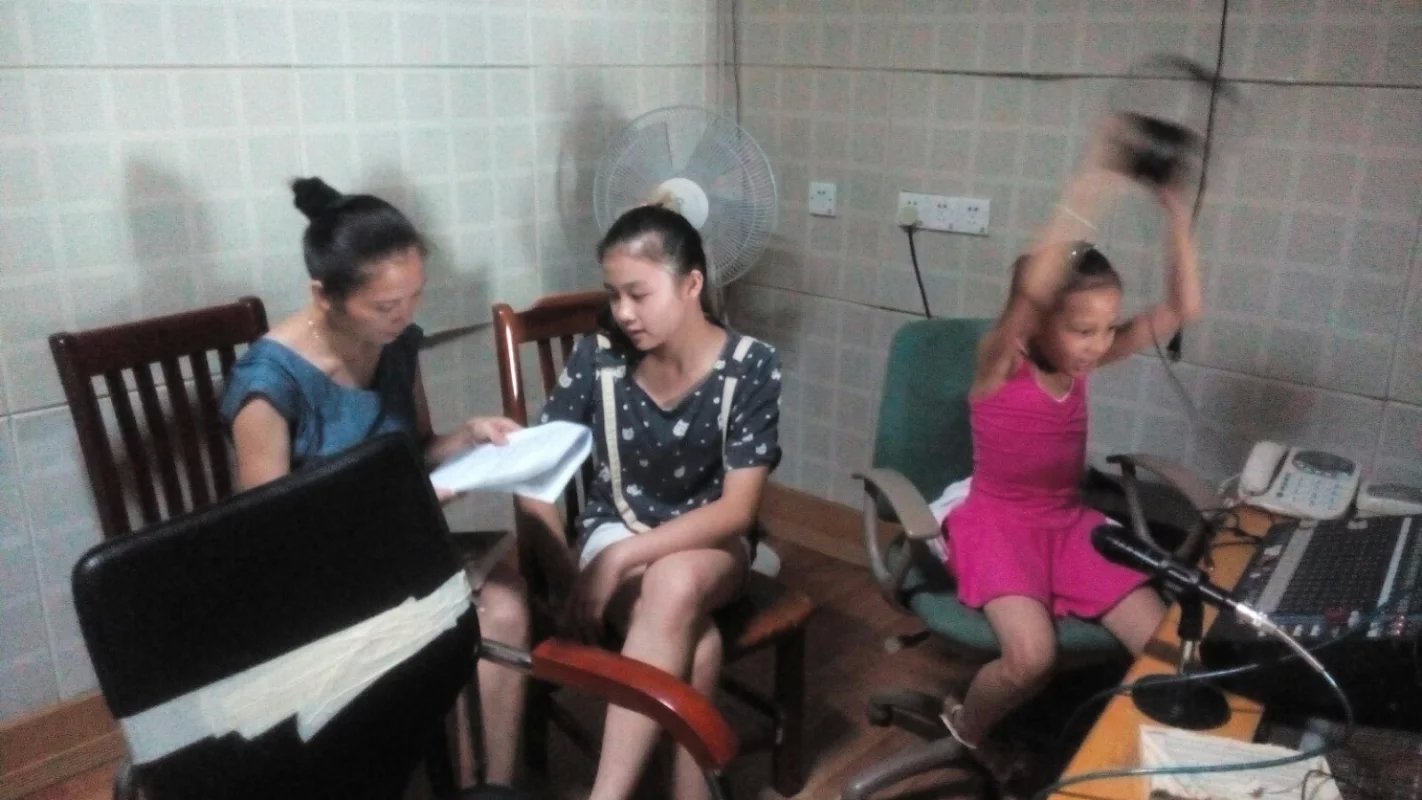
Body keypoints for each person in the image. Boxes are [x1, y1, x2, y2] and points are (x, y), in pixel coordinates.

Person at [220, 177, 529, 785]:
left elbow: (416, 449)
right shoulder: (268, 384)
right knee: (454, 623)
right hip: (313, 579)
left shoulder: (396, 346)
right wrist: (404, 504)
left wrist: (468, 437)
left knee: (508, 601)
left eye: (415, 297)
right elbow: (269, 531)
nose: (405, 316)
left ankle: (486, 787)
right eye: (386, 306)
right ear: (324, 295)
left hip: (392, 555)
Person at [937, 121, 1203, 766]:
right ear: (1034, 325)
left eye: (1106, 328)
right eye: (1083, 329)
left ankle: (1133, 766)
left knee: (1168, 650)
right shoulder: (1000, 362)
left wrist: (1174, 212)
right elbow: (1033, 288)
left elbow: (1181, 309)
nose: (1098, 344)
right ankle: (966, 727)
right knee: (1031, 659)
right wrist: (1097, 178)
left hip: (1067, 523)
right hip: (1000, 524)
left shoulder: (1083, 362)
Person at [520, 205, 781, 800]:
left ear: (692, 284)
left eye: (638, 294)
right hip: (616, 526)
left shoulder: (751, 366)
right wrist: (564, 570)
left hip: (709, 542)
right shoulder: (600, 356)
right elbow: (534, 473)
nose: (623, 312)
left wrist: (618, 561)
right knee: (700, 643)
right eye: (613, 295)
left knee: (674, 580)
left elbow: (736, 512)